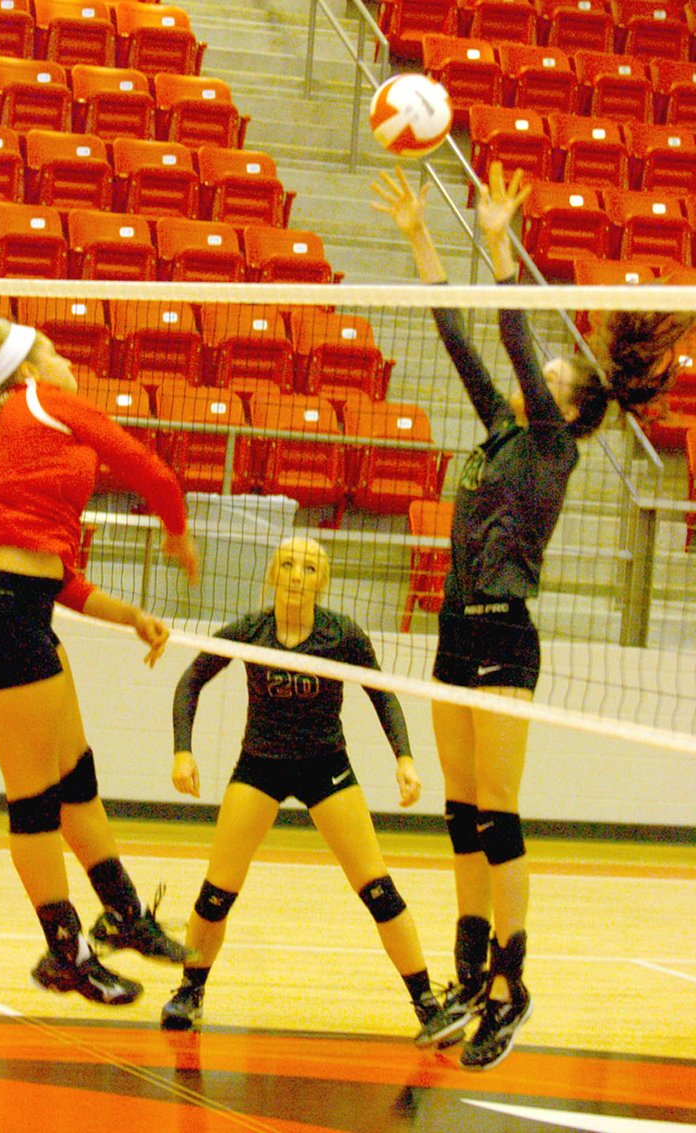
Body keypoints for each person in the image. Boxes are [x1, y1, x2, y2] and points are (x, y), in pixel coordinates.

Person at [371, 162, 693, 1070]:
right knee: (462, 812)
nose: (541, 366)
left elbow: (510, 328)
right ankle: (470, 965)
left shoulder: (552, 444)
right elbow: (460, 336)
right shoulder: (500, 432)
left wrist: (499, 231)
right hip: (454, 627)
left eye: (554, 369)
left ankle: (513, 986)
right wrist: (420, 237)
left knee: (501, 815)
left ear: (569, 399)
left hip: (506, 635)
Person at [0, 316, 200, 1006]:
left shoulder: (24, 426)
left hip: (20, 605)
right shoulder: (43, 399)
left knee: (76, 777)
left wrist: (130, 615)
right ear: (33, 364)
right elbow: (145, 465)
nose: (71, 363)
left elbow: (57, 575)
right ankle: (65, 952)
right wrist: (178, 530)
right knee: (35, 796)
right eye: (59, 353)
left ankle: (123, 914)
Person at [161, 536, 456, 1043]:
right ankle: (190, 993)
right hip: (260, 766)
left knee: (378, 889)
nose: (298, 574)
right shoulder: (250, 632)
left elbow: (381, 695)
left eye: (311, 567)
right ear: (273, 574)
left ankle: (428, 1003)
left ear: (323, 581)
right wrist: (182, 749)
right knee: (216, 892)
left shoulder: (343, 635)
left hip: (326, 767)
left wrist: (404, 758)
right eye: (289, 564)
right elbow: (190, 680)